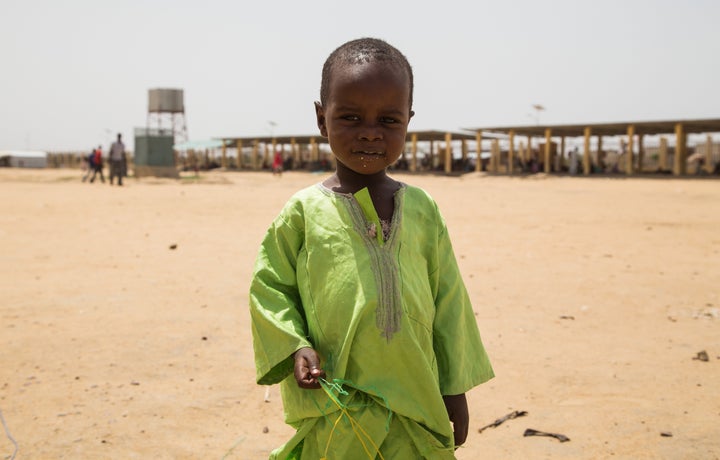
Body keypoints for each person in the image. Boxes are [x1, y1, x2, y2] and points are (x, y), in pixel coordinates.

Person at [249, 37, 493, 459]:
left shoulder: (423, 210)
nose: (369, 132)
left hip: (417, 408)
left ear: (408, 121)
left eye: (388, 120)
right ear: (322, 119)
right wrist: (295, 345)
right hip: (337, 408)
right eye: (350, 116)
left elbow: (450, 304)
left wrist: (454, 389)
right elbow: (271, 288)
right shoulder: (303, 212)